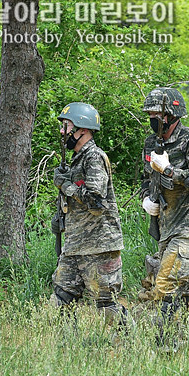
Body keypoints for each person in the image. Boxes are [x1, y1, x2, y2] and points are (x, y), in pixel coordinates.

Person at [141, 87, 189, 348]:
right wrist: (147, 200)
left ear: (171, 115)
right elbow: (146, 179)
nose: (152, 119)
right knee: (186, 287)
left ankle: (164, 346)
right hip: (166, 226)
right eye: (149, 114)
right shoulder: (151, 143)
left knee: (164, 283)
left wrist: (172, 171)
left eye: (156, 114)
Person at [51, 102, 129, 329]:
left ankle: (128, 348)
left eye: (66, 126)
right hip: (76, 245)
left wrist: (66, 186)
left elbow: (96, 202)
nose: (62, 132)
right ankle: (66, 350)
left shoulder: (94, 157)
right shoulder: (76, 159)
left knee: (107, 305)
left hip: (99, 246)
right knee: (61, 297)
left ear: (82, 130)